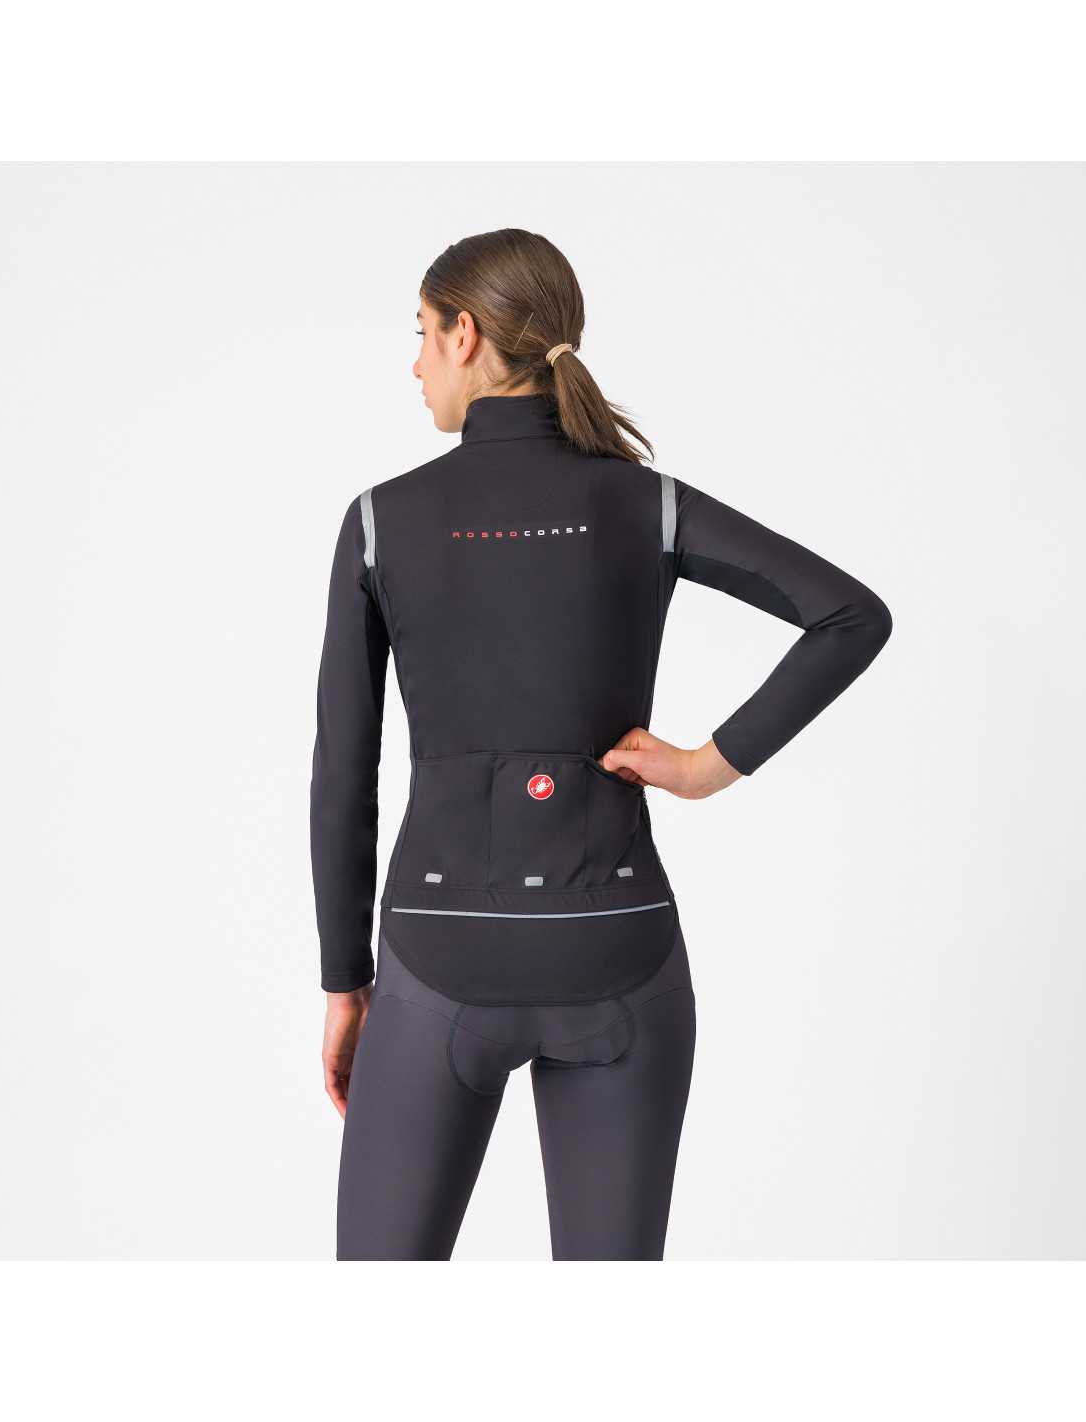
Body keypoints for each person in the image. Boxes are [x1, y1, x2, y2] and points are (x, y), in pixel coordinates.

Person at [310, 228, 892, 1261]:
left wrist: (344, 980)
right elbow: (849, 615)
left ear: (464, 333)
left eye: (420, 334)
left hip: (435, 955)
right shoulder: (644, 502)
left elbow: (342, 773)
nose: (414, 363)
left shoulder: (380, 522)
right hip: (619, 951)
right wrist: (706, 767)